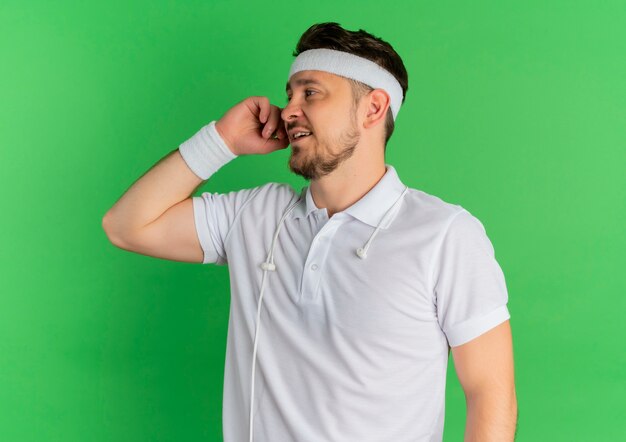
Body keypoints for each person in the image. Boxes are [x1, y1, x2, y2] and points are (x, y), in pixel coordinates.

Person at [103, 22, 517, 442]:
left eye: (310, 93)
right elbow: (126, 226)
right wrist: (223, 140)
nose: (288, 111)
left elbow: (490, 393)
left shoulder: (446, 234)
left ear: (373, 109)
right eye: (289, 94)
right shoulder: (255, 214)